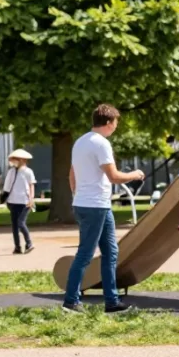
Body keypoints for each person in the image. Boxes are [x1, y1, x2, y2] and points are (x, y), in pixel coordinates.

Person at [63, 104, 145, 314]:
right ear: (108, 122)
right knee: (85, 253)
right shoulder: (101, 144)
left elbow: (72, 174)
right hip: (95, 206)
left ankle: (112, 302)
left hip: (92, 204)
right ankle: (71, 301)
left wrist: (77, 195)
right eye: (116, 123)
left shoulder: (80, 142)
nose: (116, 126)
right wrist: (135, 174)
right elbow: (114, 176)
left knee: (110, 251)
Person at [2, 150, 36, 255]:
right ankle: (17, 247)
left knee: (20, 222)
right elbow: (7, 186)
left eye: (14, 159)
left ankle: (29, 243)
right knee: (15, 226)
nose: (12, 161)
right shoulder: (11, 172)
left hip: (24, 201)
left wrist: (31, 198)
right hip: (12, 201)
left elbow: (31, 185)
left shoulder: (28, 171)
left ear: (21, 160)